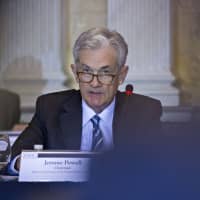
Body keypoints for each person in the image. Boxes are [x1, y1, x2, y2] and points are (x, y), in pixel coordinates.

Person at [10, 27, 162, 173]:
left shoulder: (144, 112)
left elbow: (158, 166)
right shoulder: (50, 107)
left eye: (105, 73)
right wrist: (25, 164)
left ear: (122, 75)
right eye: (86, 72)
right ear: (75, 73)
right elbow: (16, 157)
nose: (95, 83)